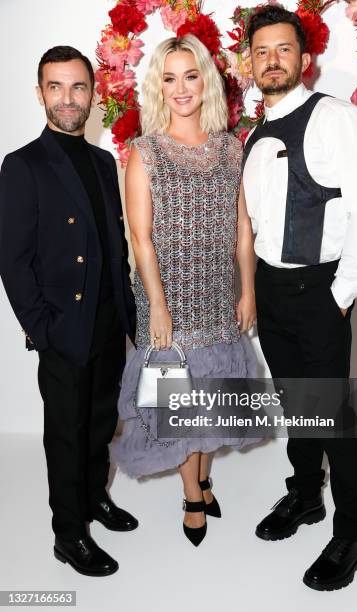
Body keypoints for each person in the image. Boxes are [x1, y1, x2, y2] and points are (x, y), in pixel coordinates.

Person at [242, 5, 357, 591]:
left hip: (320, 290)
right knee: (296, 405)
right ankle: (304, 496)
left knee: (332, 414)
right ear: (249, 62)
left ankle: (354, 532)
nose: (271, 60)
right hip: (274, 292)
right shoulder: (255, 131)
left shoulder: (335, 117)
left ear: (305, 59)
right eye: (261, 51)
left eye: (283, 49)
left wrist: (343, 292)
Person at [111, 34, 258, 547]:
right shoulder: (144, 152)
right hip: (167, 301)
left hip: (218, 296)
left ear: (206, 81)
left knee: (211, 399)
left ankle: (202, 479)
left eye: (190, 75)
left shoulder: (229, 148)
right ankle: (193, 493)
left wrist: (249, 290)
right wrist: (155, 303)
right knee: (177, 403)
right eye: (169, 78)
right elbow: (141, 237)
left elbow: (242, 226)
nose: (181, 88)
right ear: (158, 86)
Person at [0, 46, 138, 577]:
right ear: (40, 95)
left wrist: (126, 310)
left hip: (109, 320)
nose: (67, 98)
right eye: (55, 87)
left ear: (92, 94)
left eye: (77, 87)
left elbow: (114, 243)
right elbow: (12, 260)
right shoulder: (23, 165)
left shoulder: (104, 161)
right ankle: (68, 533)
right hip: (64, 326)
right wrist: (43, 329)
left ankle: (93, 499)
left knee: (102, 419)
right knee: (66, 429)